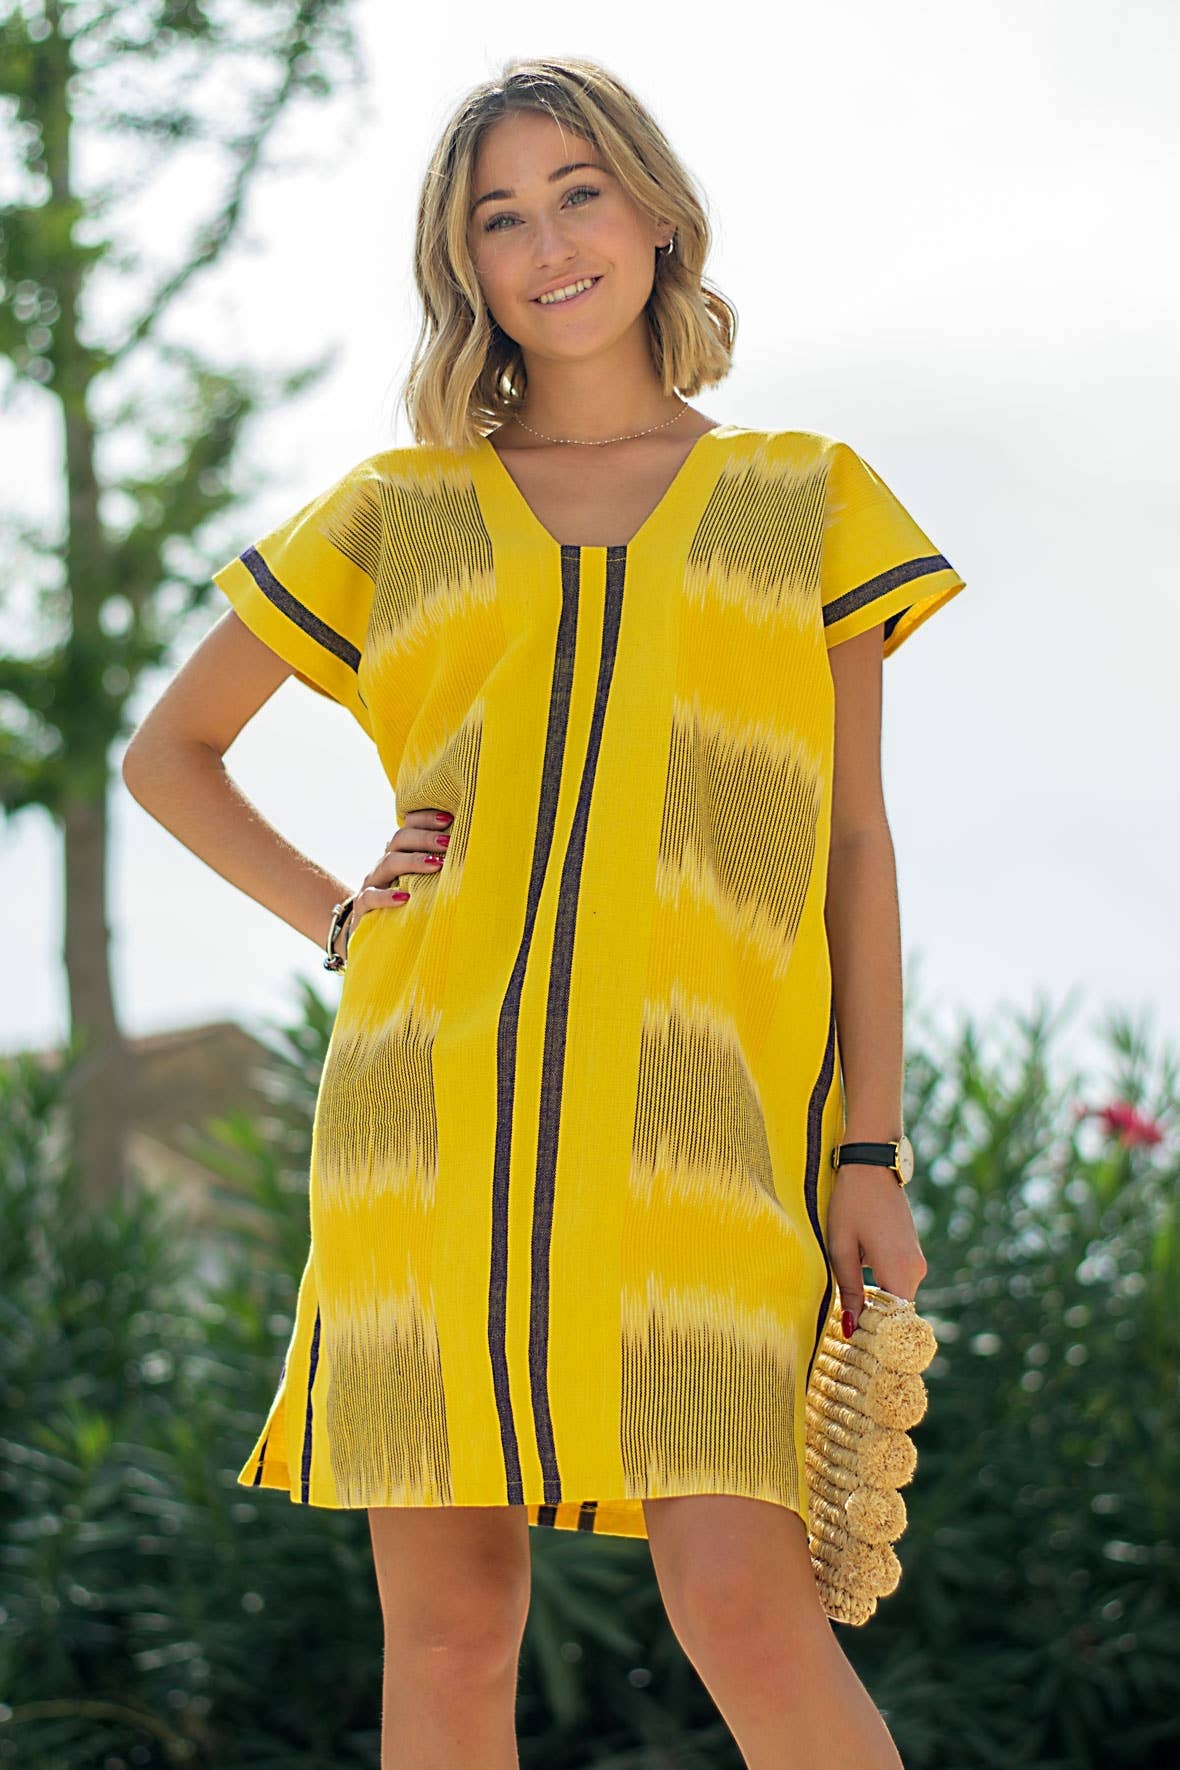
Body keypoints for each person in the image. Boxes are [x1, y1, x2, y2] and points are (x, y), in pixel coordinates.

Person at [122, 52, 967, 1770]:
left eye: (579, 194)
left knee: (743, 1601)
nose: (550, 243)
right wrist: (342, 917)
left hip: (706, 1136)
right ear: (468, 267)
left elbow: (855, 847)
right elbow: (171, 753)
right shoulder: (400, 509)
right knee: (449, 1626)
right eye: (501, 218)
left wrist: (868, 1149)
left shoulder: (806, 499)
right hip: (429, 1126)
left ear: (654, 214)